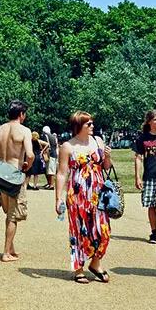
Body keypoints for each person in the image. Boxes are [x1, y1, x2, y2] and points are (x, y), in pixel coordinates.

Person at [55, 111, 112, 283]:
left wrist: (108, 156)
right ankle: (78, 268)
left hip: (98, 193)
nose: (92, 126)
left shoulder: (98, 141)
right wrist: (58, 197)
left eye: (92, 123)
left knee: (103, 231)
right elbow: (62, 173)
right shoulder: (68, 146)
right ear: (79, 126)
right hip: (78, 194)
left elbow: (106, 167)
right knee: (79, 231)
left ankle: (95, 263)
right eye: (89, 124)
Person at [0, 100, 34, 263]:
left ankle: (11, 248)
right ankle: (6, 252)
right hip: (14, 175)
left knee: (9, 213)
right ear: (21, 114)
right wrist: (27, 166)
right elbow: (29, 154)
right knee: (13, 216)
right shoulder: (24, 130)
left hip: (0, 172)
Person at [133, 110, 156, 244]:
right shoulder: (143, 138)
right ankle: (154, 232)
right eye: (155, 119)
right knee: (151, 205)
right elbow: (138, 157)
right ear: (149, 121)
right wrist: (137, 177)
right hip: (149, 176)